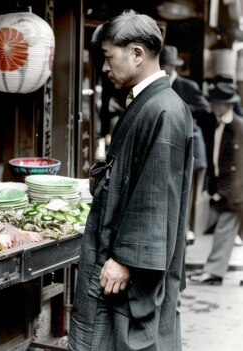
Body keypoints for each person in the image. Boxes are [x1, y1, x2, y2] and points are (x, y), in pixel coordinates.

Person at [69, 10, 194, 350]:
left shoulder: (163, 109)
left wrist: (125, 259)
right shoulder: (151, 103)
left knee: (117, 337)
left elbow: (154, 194)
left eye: (109, 58)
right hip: (118, 247)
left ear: (137, 54)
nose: (105, 68)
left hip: (127, 259)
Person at [188, 79, 243, 285]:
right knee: (226, 229)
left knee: (224, 229)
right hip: (230, 190)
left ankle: (213, 271)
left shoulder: (238, 127)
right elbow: (216, 161)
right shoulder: (217, 124)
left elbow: (237, 166)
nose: (212, 106)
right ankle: (213, 271)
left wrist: (223, 191)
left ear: (226, 105)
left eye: (217, 103)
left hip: (236, 191)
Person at [160, 44, 211, 245]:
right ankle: (178, 229)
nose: (168, 68)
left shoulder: (187, 86)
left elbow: (206, 110)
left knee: (190, 192)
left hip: (194, 148)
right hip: (172, 147)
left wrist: (180, 107)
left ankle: (189, 231)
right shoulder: (160, 85)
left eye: (171, 65)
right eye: (165, 64)